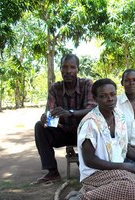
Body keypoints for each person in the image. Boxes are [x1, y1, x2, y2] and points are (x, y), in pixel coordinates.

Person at [65, 78, 135, 200]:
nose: (109, 99)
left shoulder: (119, 116)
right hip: (96, 173)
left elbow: (124, 147)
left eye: (112, 94)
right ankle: (82, 199)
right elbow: (89, 160)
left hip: (115, 170)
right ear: (96, 99)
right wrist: (123, 166)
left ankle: (87, 191)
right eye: (103, 96)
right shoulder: (90, 124)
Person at [34, 53, 96, 183]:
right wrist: (45, 117)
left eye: (72, 67)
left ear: (78, 69)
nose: (68, 71)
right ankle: (52, 172)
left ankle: (89, 166)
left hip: (84, 132)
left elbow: (92, 110)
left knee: (91, 124)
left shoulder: (87, 84)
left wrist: (70, 113)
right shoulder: (55, 88)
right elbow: (50, 112)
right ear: (60, 69)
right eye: (64, 67)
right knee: (39, 126)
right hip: (63, 131)